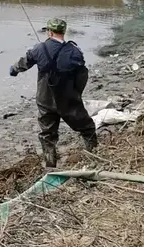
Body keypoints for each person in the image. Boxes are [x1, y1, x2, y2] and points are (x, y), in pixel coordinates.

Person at [9, 18, 98, 168]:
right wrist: (77, 94)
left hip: (45, 100)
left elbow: (23, 64)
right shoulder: (75, 51)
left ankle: (50, 165)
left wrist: (13, 70)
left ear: (49, 32)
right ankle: (93, 155)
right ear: (64, 32)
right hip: (68, 100)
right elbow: (82, 76)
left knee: (47, 134)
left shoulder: (39, 49)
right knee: (86, 127)